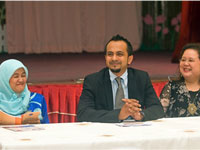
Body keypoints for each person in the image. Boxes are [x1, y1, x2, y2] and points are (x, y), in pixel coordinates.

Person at [77, 34, 164, 123]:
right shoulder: (93, 81)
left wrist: (140, 115)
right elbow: (83, 113)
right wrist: (118, 114)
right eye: (110, 54)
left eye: (119, 54)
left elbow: (157, 109)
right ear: (105, 58)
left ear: (129, 59)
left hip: (135, 130)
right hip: (106, 131)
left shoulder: (141, 78)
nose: (114, 58)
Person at [0, 59, 49, 125]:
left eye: (23, 75)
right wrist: (20, 121)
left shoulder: (37, 99)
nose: (21, 80)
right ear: (4, 80)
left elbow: (46, 128)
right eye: (16, 76)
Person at [160, 43, 200, 117]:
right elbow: (160, 117)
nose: (185, 63)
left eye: (191, 60)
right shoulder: (171, 88)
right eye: (183, 59)